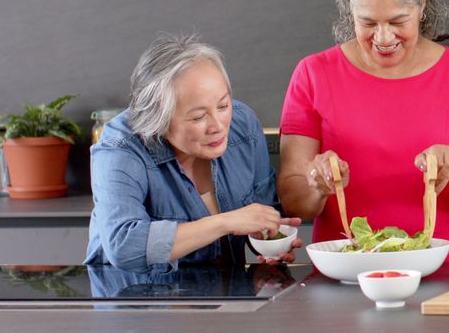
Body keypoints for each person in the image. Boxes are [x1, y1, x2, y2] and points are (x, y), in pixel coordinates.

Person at [278, 0, 449, 262]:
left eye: (398, 22)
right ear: (351, 11)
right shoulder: (313, 74)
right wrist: (317, 185)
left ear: (422, 5)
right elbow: (292, 199)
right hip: (349, 273)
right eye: (368, 23)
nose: (383, 38)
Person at [86, 34, 300, 273]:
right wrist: (226, 222)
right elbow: (124, 245)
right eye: (198, 117)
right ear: (159, 120)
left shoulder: (243, 126)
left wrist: (269, 240)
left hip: (223, 293)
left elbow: (261, 212)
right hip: (134, 294)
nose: (218, 125)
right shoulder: (121, 147)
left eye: (223, 105)